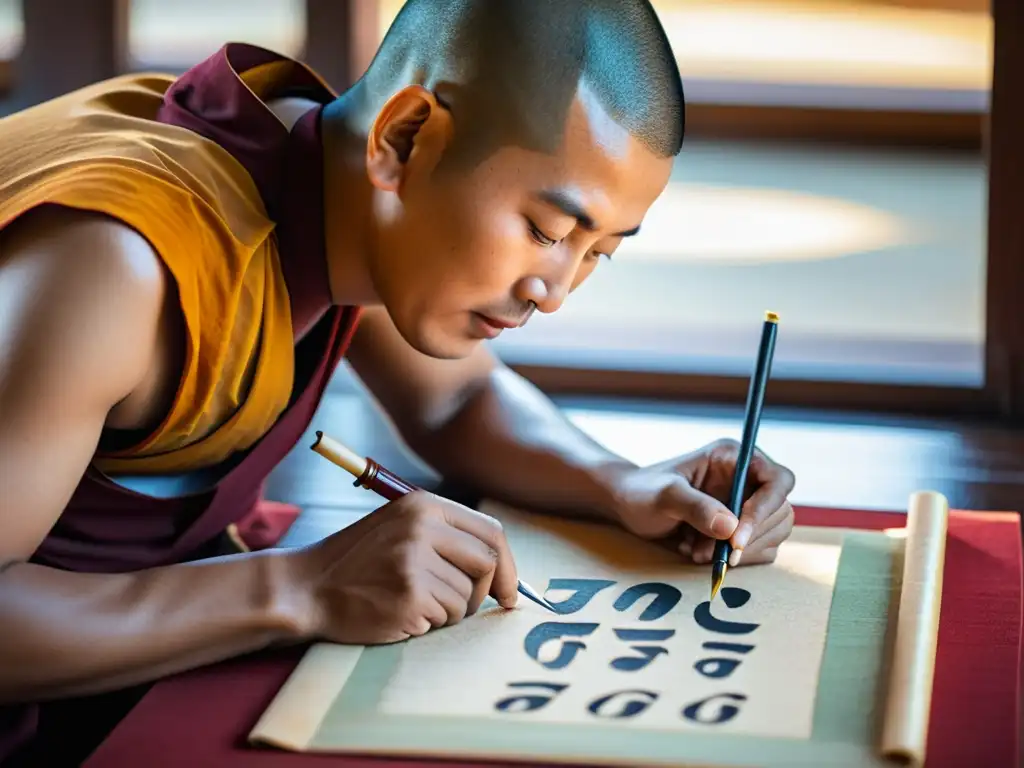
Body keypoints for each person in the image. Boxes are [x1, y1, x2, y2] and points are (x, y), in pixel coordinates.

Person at [0, 0, 796, 763]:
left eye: (598, 253)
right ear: (406, 136)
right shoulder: (119, 267)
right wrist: (304, 586)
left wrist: (622, 483)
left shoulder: (331, 189)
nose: (554, 290)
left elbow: (457, 399)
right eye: (546, 231)